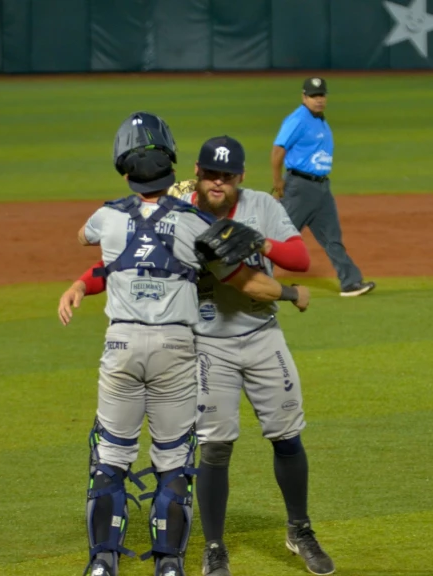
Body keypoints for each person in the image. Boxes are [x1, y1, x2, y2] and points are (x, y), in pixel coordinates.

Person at [63, 135, 334, 576]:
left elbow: (299, 257)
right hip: (206, 344)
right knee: (214, 448)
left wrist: (260, 243)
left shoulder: (261, 205)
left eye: (227, 176)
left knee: (287, 436)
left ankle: (300, 530)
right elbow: (128, 258)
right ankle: (213, 547)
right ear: (197, 172)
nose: (218, 183)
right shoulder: (180, 210)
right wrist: (81, 283)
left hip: (263, 336)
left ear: (240, 178)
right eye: (210, 174)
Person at [271, 76, 376, 298]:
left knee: (332, 238)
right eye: (313, 96)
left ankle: (350, 283)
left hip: (321, 189)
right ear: (304, 97)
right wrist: (278, 181)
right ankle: (253, 278)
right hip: (300, 188)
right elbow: (277, 151)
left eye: (321, 95)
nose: (318, 100)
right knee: (280, 236)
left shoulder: (320, 120)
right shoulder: (298, 119)